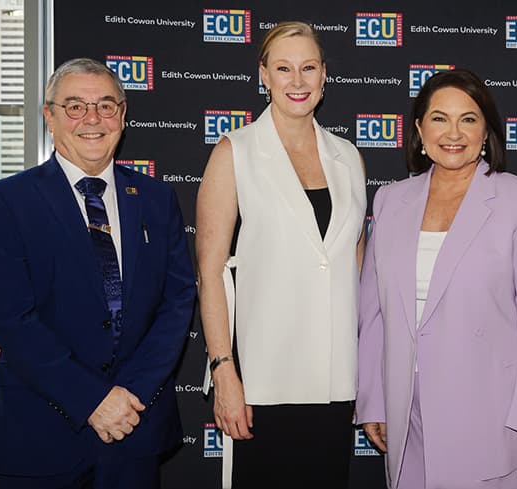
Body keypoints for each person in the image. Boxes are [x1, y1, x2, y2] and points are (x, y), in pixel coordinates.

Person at [0, 58, 196, 489]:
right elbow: (11, 319)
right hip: (40, 436)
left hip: (135, 429)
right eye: (75, 106)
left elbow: (177, 301)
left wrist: (128, 396)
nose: (92, 119)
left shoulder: (154, 197)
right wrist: (93, 400)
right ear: (50, 117)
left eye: (106, 106)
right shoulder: (9, 200)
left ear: (123, 115)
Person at [356, 69, 517, 489]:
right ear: (418, 129)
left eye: (468, 119)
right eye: (439, 118)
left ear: (486, 130)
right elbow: (374, 313)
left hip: (495, 416)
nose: (453, 133)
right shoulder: (391, 200)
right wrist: (373, 399)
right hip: (409, 417)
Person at [196, 21, 366, 488]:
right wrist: (223, 369)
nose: (297, 81)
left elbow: (356, 266)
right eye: (284, 68)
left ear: (324, 75)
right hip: (263, 379)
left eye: (308, 67)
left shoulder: (348, 156)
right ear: (263, 75)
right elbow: (210, 273)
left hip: (336, 380)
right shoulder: (236, 152)